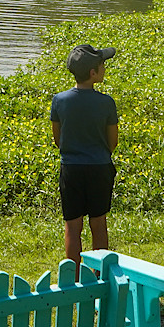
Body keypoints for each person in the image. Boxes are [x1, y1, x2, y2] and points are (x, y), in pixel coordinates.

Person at [52, 46, 118, 263]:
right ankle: (100, 276)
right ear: (93, 73)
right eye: (102, 65)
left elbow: (58, 140)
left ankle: (74, 279)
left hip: (71, 169)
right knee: (98, 224)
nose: (104, 68)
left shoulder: (59, 100)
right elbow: (113, 142)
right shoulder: (106, 102)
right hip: (100, 168)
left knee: (72, 226)